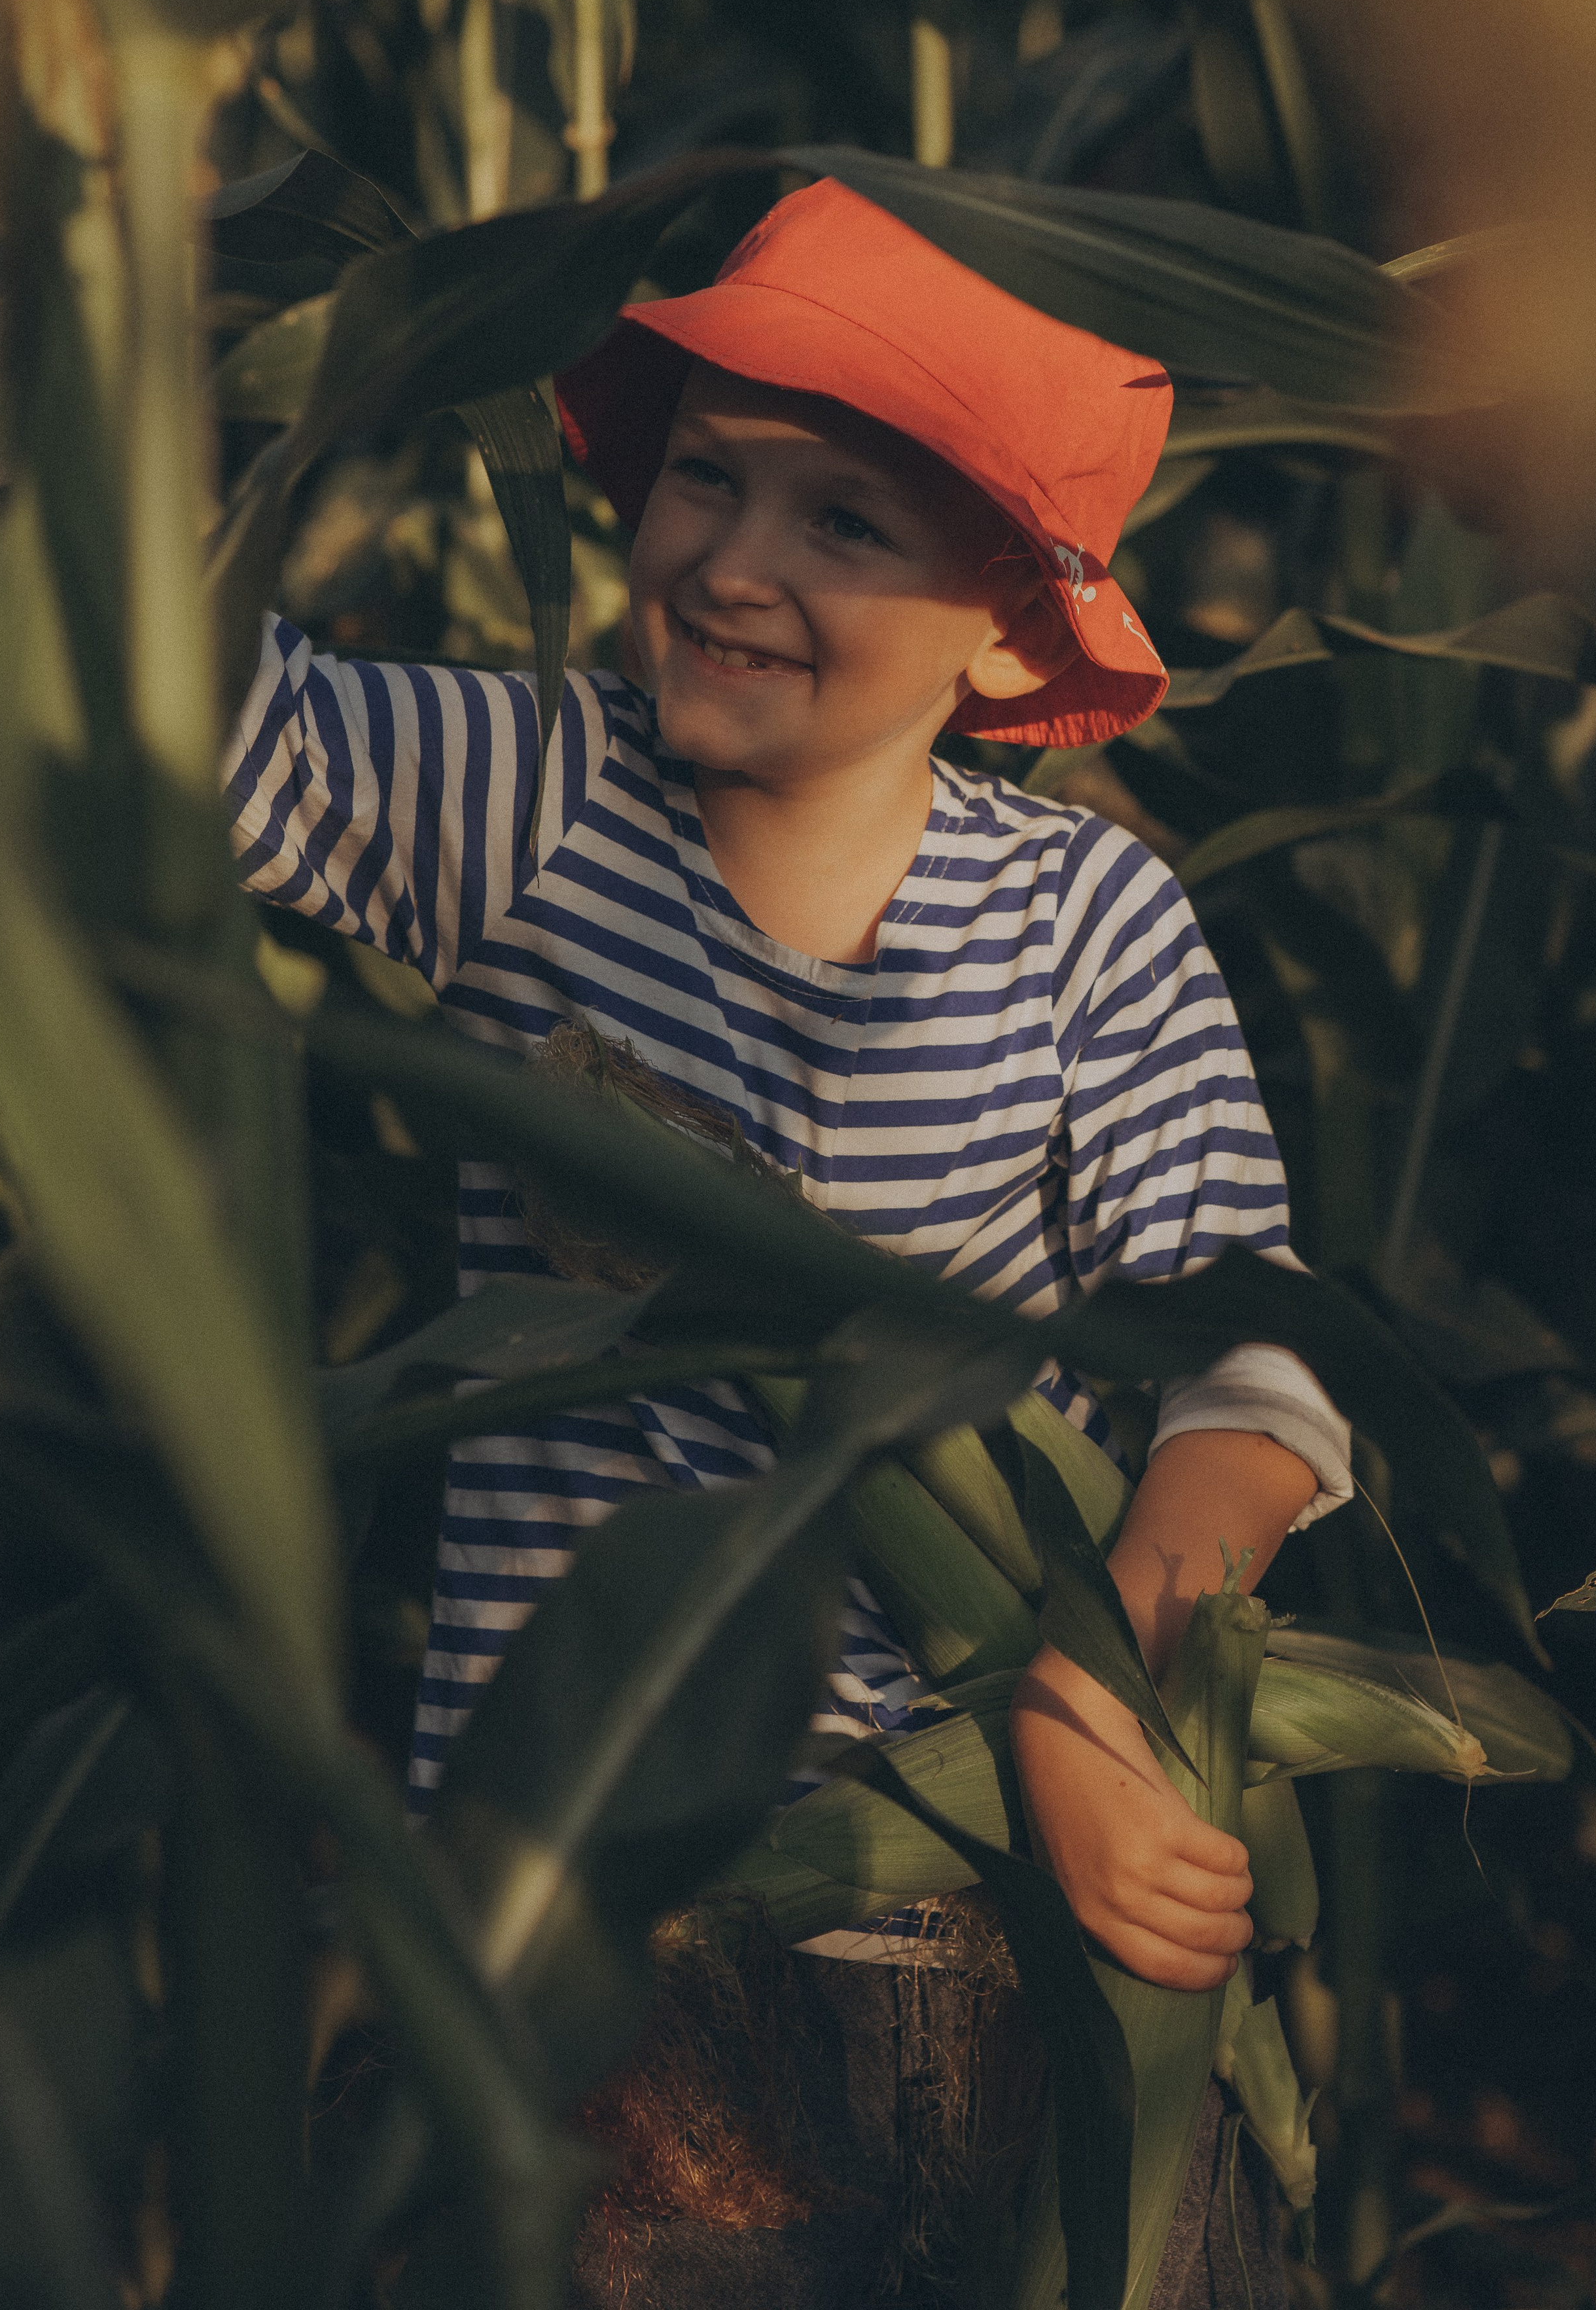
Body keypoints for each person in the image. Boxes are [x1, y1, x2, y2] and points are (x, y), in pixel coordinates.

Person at [223, 177, 1350, 2304]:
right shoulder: (532, 802)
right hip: (599, 1947)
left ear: (1009, 628)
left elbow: (1257, 1381)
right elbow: (178, 708)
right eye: (706, 477)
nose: (734, 560)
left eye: (844, 519)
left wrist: (1095, 1693)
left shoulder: (1084, 927)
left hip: (1002, 1934)